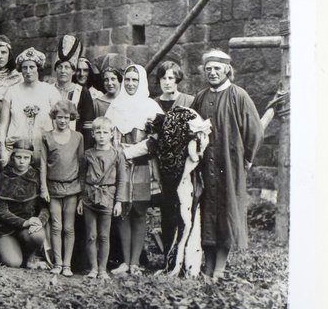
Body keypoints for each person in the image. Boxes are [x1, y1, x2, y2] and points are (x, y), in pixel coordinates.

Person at [191, 49, 263, 279]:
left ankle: (220, 267)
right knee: (206, 211)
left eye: (217, 69)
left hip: (229, 166)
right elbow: (190, 126)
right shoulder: (200, 97)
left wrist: (247, 158)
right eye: (209, 69)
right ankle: (208, 264)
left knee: (226, 210)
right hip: (203, 165)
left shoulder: (238, 95)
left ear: (227, 70)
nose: (212, 73)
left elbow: (254, 130)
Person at [106, 64, 163, 275]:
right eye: (127, 79)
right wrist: (117, 154)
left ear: (142, 83)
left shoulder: (151, 107)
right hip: (119, 166)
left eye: (135, 80)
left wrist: (129, 153)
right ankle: (124, 260)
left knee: (139, 213)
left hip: (141, 165)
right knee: (122, 212)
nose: (130, 84)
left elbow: (156, 139)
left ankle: (135, 263)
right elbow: (107, 133)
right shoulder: (115, 106)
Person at [154, 107, 211, 277]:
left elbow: (195, 156)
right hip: (180, 182)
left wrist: (197, 150)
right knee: (180, 220)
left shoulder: (194, 140)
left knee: (188, 221)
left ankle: (189, 264)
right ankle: (175, 262)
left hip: (188, 182)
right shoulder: (170, 145)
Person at [78, 116, 128, 279]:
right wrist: (80, 198)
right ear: (92, 134)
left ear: (111, 134)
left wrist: (119, 201)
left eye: (105, 132)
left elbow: (122, 179)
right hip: (89, 197)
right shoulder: (88, 154)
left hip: (108, 197)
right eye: (98, 132)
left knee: (104, 235)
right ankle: (93, 268)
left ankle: (102, 269)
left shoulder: (117, 155)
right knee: (91, 235)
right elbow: (82, 176)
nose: (101, 135)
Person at [40, 100, 85, 277]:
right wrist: (44, 187)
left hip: (73, 187)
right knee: (56, 227)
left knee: (69, 227)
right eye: (59, 117)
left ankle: (67, 264)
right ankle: (57, 263)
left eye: (66, 117)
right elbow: (43, 163)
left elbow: (81, 165)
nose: (63, 121)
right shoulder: (46, 136)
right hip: (53, 187)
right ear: (54, 118)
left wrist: (81, 191)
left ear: (71, 118)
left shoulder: (77, 137)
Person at [0, 47, 61, 159]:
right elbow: (3, 124)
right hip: (16, 151)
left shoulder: (51, 91)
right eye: (24, 68)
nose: (28, 71)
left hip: (43, 150)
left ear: (38, 68)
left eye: (32, 67)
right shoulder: (11, 91)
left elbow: (57, 123)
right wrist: (2, 148)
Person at [0, 140, 48, 269]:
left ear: (31, 158)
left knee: (38, 235)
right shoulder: (3, 177)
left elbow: (44, 207)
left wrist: (39, 221)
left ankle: (31, 257)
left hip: (28, 229)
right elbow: (2, 211)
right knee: (13, 263)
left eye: (26, 158)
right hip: (6, 229)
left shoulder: (36, 177)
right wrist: (24, 222)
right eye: (18, 157)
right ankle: (1, 251)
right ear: (13, 157)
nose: (22, 161)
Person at [52, 35, 95, 147]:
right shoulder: (48, 90)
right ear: (55, 69)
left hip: (75, 145)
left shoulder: (82, 92)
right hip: (51, 143)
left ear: (73, 71)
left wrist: (84, 151)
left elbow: (88, 125)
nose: (63, 71)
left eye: (67, 67)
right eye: (60, 67)